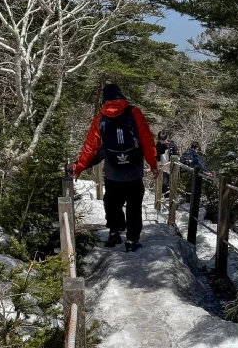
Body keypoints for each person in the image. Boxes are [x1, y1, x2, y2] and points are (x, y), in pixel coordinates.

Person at [71, 84, 157, 252]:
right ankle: (132, 239)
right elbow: (147, 139)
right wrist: (153, 164)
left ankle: (114, 231)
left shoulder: (100, 118)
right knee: (134, 204)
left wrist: (79, 167)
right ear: (121, 96)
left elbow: (90, 147)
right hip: (134, 169)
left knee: (112, 202)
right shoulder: (134, 112)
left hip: (112, 170)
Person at [156, 129, 177, 197]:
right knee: (164, 185)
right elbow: (156, 156)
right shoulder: (158, 145)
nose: (161, 142)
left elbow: (176, 157)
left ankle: (170, 200)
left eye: (163, 140)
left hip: (172, 167)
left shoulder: (172, 145)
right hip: (163, 168)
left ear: (166, 139)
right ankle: (167, 198)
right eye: (160, 140)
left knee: (171, 185)